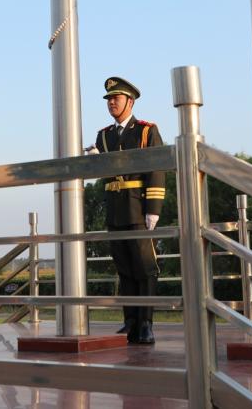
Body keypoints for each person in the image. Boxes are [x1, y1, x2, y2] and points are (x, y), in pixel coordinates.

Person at [92, 76, 166, 344]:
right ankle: (131, 321)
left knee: (145, 268)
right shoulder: (104, 135)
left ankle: (146, 323)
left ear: (130, 102)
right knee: (124, 268)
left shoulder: (146, 131)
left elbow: (156, 169)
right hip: (116, 209)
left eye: (116, 98)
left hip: (138, 207)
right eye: (109, 99)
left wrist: (153, 208)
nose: (111, 102)